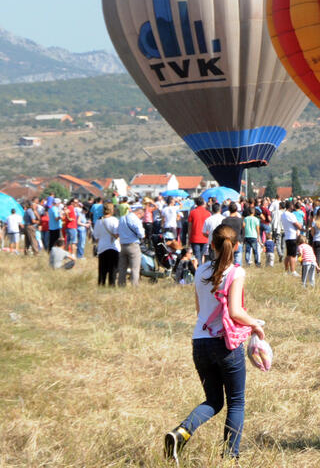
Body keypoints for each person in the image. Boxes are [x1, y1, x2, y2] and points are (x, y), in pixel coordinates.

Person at [164, 224, 265, 463]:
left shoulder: (200, 271)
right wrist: (255, 324)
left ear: (212, 245)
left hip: (200, 342)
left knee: (213, 400)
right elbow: (235, 311)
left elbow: (200, 310)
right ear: (237, 245)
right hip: (226, 346)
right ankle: (230, 457)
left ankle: (181, 433)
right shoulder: (236, 273)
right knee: (236, 402)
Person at [117, 204, 145, 287]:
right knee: (135, 268)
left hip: (122, 245)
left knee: (122, 268)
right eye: (141, 216)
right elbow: (141, 234)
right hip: (133, 245)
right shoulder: (136, 220)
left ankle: (121, 285)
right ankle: (134, 286)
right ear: (139, 213)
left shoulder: (122, 218)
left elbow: (118, 231)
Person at [93, 203, 120, 287]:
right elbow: (117, 234)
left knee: (102, 269)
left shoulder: (98, 221)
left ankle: (101, 284)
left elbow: (96, 237)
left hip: (102, 247)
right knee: (113, 269)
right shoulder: (114, 220)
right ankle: (112, 285)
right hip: (113, 247)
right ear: (112, 210)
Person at [186, 198, 211, 262]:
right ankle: (201, 269)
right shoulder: (208, 213)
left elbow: (189, 227)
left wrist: (189, 238)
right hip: (205, 237)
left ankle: (198, 269)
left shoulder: (192, 212)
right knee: (202, 255)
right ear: (203, 204)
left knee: (197, 256)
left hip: (194, 237)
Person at [281, 202, 302, 276]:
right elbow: (297, 225)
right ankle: (293, 271)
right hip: (292, 236)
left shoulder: (283, 214)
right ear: (291, 206)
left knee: (288, 254)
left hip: (287, 236)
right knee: (293, 255)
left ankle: (286, 270)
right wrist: (300, 226)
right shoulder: (290, 215)